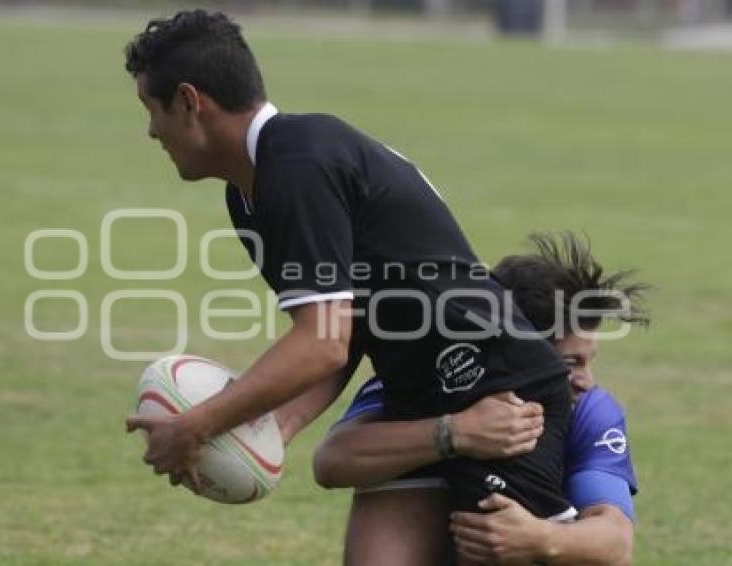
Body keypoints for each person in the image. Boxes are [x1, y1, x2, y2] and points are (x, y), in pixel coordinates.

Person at [122, 9, 573, 528]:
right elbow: (347, 328)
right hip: (419, 404)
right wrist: (273, 430)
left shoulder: (298, 164)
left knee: (506, 548)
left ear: (188, 102)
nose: (151, 131)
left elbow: (323, 342)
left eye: (149, 108)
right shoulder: (250, 191)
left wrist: (198, 425)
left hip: (500, 391)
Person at [313, 232, 649, 565]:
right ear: (521, 354)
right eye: (570, 364)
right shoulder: (421, 383)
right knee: (388, 470)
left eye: (589, 361)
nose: (586, 382)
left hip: (518, 547)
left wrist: (539, 538)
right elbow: (332, 462)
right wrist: (455, 433)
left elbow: (615, 542)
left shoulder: (591, 409)